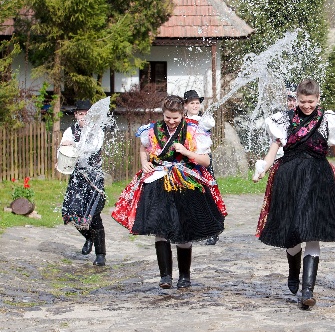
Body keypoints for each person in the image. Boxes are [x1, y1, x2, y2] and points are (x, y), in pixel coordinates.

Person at [253, 78, 335, 310]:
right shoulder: (284, 119)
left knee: (312, 231)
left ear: (318, 99)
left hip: (317, 179)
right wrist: (262, 168)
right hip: (288, 179)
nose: (307, 105)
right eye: (302, 101)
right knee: (292, 231)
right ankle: (293, 272)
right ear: (296, 99)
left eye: (311, 101)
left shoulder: (328, 121)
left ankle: (307, 291)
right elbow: (273, 151)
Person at [112, 95, 226, 290]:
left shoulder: (193, 130)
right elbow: (143, 148)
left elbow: (205, 161)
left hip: (186, 183)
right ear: (162, 114)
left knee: (184, 230)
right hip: (158, 183)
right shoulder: (152, 130)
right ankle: (165, 277)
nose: (172, 122)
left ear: (182, 114)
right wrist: (144, 163)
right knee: (161, 227)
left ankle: (184, 277)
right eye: (168, 118)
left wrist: (186, 152)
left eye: (175, 118)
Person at [60, 99, 107, 266]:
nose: (84, 118)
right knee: (70, 213)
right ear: (76, 115)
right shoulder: (69, 131)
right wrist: (65, 146)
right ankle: (89, 238)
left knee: (93, 216)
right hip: (77, 177)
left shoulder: (97, 131)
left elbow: (92, 149)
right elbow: (63, 147)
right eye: (81, 114)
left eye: (87, 115)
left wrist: (74, 144)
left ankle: (100, 254)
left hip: (94, 178)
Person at [183, 89, 219, 246]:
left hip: (202, 159)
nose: (195, 105)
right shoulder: (181, 121)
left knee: (207, 194)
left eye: (197, 103)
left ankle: (213, 230)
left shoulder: (203, 120)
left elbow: (209, 124)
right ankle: (192, 228)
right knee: (189, 194)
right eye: (192, 103)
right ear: (185, 105)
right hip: (187, 160)